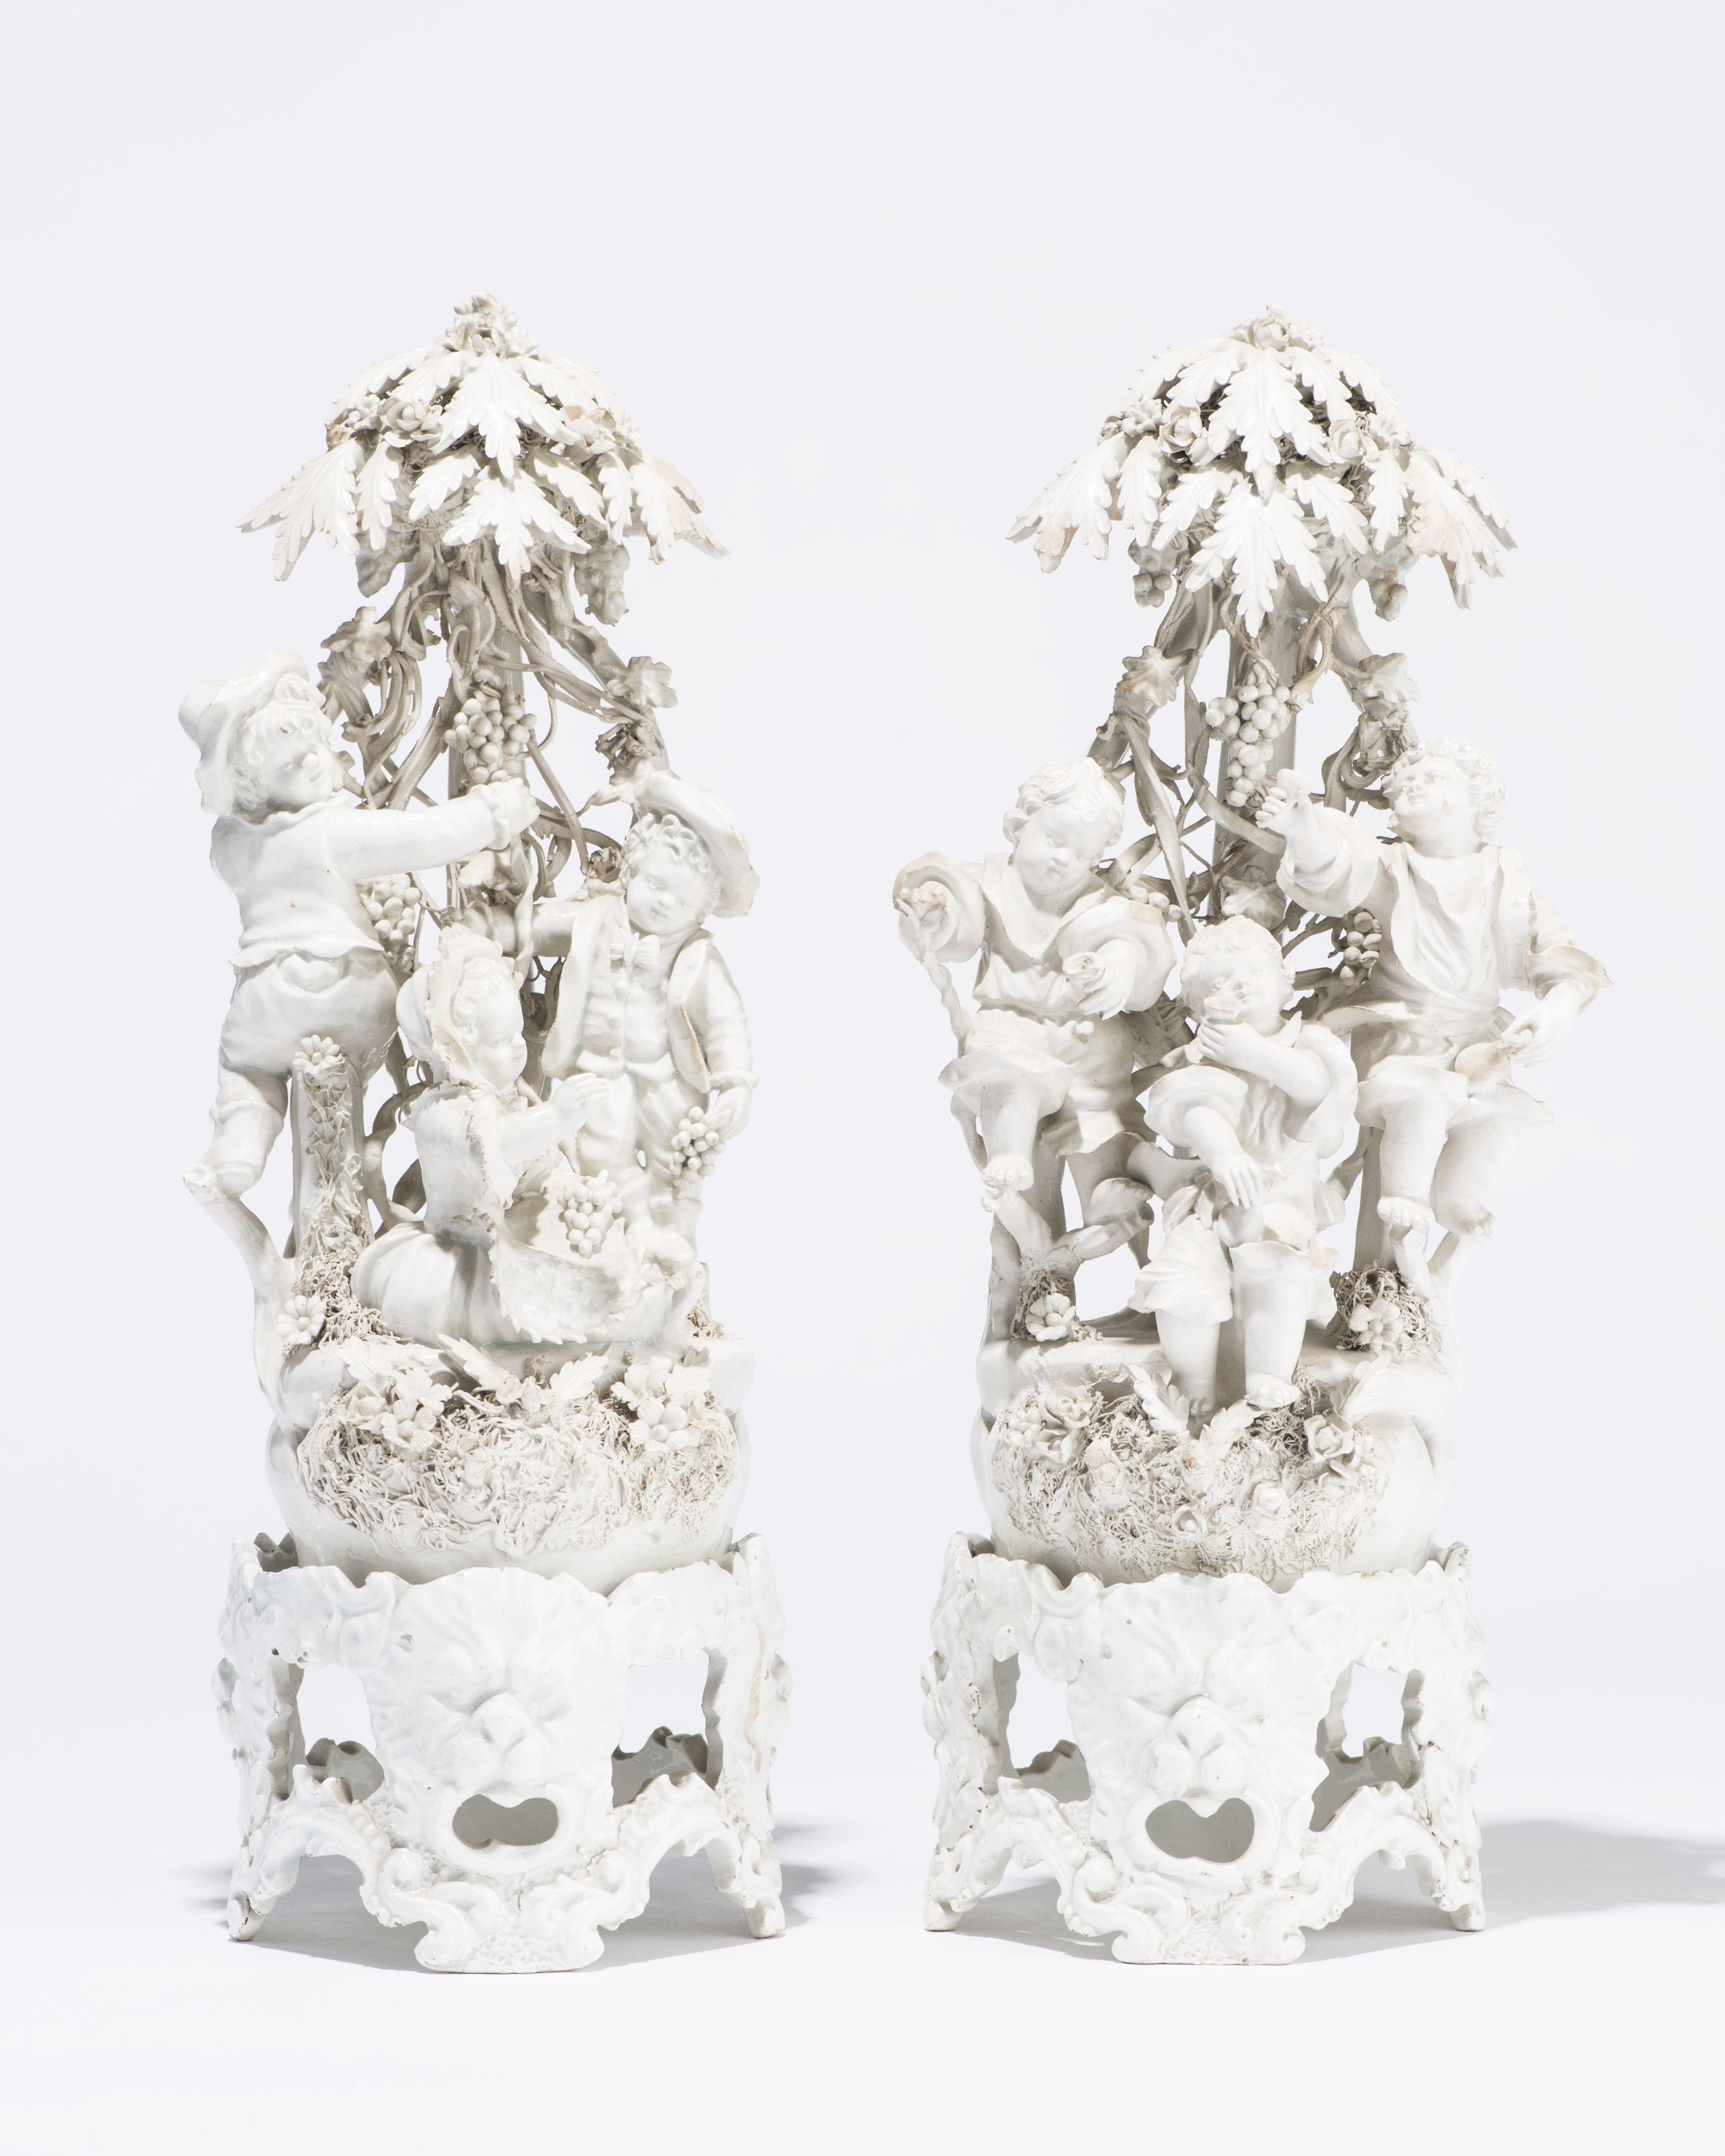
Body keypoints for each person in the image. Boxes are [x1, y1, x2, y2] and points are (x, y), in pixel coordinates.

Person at [182, 649, 537, 1193]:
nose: (314, 764)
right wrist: (496, 812)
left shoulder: (229, 844)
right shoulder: (331, 833)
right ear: (252, 786)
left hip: (265, 998)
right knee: (372, 1050)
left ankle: (241, 1140)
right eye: (292, 764)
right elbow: (424, 838)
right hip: (353, 994)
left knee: (246, 1066)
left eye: (315, 747)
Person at [1257, 741, 1608, 1290]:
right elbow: (1335, 870)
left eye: (1433, 777)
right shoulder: (1390, 866)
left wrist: (1559, 1008)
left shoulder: (1506, 877)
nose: (1413, 786)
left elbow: (1557, 954)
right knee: (1420, 1105)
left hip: (1479, 1045)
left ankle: (1451, 1215)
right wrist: (1302, 826)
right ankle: (1397, 1238)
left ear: (1478, 800)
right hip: (1400, 1040)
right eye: (1403, 783)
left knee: (1494, 1125)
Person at [894, 759, 1174, 1248]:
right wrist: (934, 912)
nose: (1063, 859)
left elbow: (1132, 943)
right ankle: (1010, 1154)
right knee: (1008, 1071)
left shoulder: (1101, 903)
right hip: (1012, 1024)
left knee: (1100, 1108)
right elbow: (954, 929)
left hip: (1083, 1036)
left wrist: (1117, 972)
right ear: (1017, 827)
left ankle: (1104, 1188)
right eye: (1054, 839)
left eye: (1081, 853)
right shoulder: (988, 884)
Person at [352, 928, 627, 1349]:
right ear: (452, 1052)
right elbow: (497, 1145)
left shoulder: (513, 1098)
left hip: (517, 1239)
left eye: (517, 1035)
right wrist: (557, 1116)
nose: (517, 1050)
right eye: (500, 1042)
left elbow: (536, 1167)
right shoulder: (442, 1114)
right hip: (460, 1262)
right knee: (514, 1330)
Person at [1129, 916, 1357, 1414]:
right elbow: (1195, 1108)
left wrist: (1253, 1052)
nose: (1239, 987)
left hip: (1284, 1196)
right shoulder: (1204, 1056)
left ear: (1284, 981)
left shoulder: (1309, 1042)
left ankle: (1268, 1375)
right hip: (1215, 1200)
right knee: (1180, 1277)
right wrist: (1226, 1156)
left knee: (1279, 1272)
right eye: (1219, 983)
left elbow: (1316, 1089)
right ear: (1197, 1006)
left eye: (1253, 972)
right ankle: (1193, 1380)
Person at [534, 771, 757, 1255]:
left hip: (666, 1075)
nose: (662, 903)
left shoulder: (697, 955)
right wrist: (505, 928)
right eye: (654, 884)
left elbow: (725, 1023)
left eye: (681, 899)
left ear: (701, 910)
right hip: (597, 1068)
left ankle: (675, 1238)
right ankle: (629, 1229)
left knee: (677, 1154)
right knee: (600, 1149)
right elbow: (540, 927)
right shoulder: (594, 921)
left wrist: (735, 1084)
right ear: (630, 872)